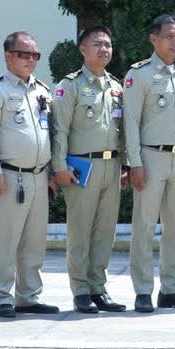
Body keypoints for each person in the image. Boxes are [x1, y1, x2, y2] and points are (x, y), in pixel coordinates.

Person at [0, 31, 57, 318]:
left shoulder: (41, 90)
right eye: (24, 54)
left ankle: (29, 295)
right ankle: (2, 296)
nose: (30, 60)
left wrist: (50, 172)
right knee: (6, 240)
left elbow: (49, 134)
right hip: (9, 177)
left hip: (38, 176)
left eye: (35, 55)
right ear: (8, 56)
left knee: (34, 241)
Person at [122, 14, 175, 313]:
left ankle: (171, 289)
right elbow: (131, 121)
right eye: (169, 36)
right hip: (150, 157)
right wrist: (134, 163)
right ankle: (143, 290)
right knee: (144, 226)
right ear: (154, 39)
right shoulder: (139, 74)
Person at [51, 26, 126, 314]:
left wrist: (125, 165)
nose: (104, 49)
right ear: (83, 49)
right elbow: (60, 129)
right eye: (97, 44)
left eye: (107, 44)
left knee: (105, 232)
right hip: (82, 167)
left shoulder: (115, 87)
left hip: (111, 166)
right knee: (80, 231)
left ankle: (99, 288)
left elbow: (122, 131)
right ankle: (81, 290)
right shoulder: (69, 86)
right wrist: (59, 167)